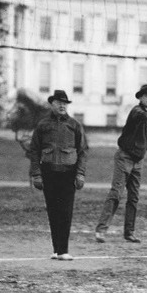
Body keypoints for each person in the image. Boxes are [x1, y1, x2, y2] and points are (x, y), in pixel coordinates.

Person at [95, 84, 147, 244]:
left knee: (133, 198)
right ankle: (101, 230)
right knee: (116, 193)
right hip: (124, 157)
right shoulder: (137, 112)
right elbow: (139, 117)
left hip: (138, 160)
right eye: (146, 95)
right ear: (140, 98)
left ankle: (129, 232)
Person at [28, 90, 88, 261]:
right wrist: (36, 175)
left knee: (66, 211)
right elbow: (34, 151)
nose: (62, 105)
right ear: (52, 104)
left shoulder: (75, 125)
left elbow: (83, 152)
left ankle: (63, 250)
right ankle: (56, 249)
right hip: (48, 173)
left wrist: (80, 174)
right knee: (53, 212)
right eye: (58, 102)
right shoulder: (43, 125)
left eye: (65, 103)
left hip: (68, 174)